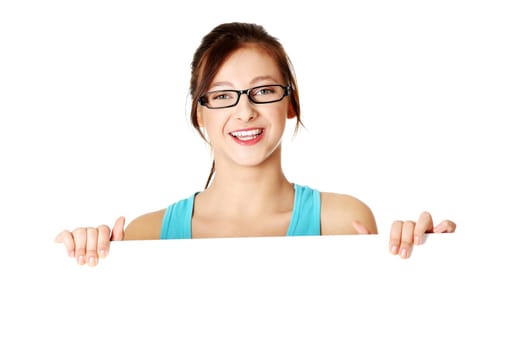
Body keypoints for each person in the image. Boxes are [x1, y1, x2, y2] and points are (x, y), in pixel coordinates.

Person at [55, 22, 456, 266]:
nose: (245, 111)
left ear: (291, 103)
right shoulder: (146, 234)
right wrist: (79, 259)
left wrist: (431, 263)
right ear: (200, 112)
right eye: (224, 94)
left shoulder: (342, 221)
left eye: (263, 91)